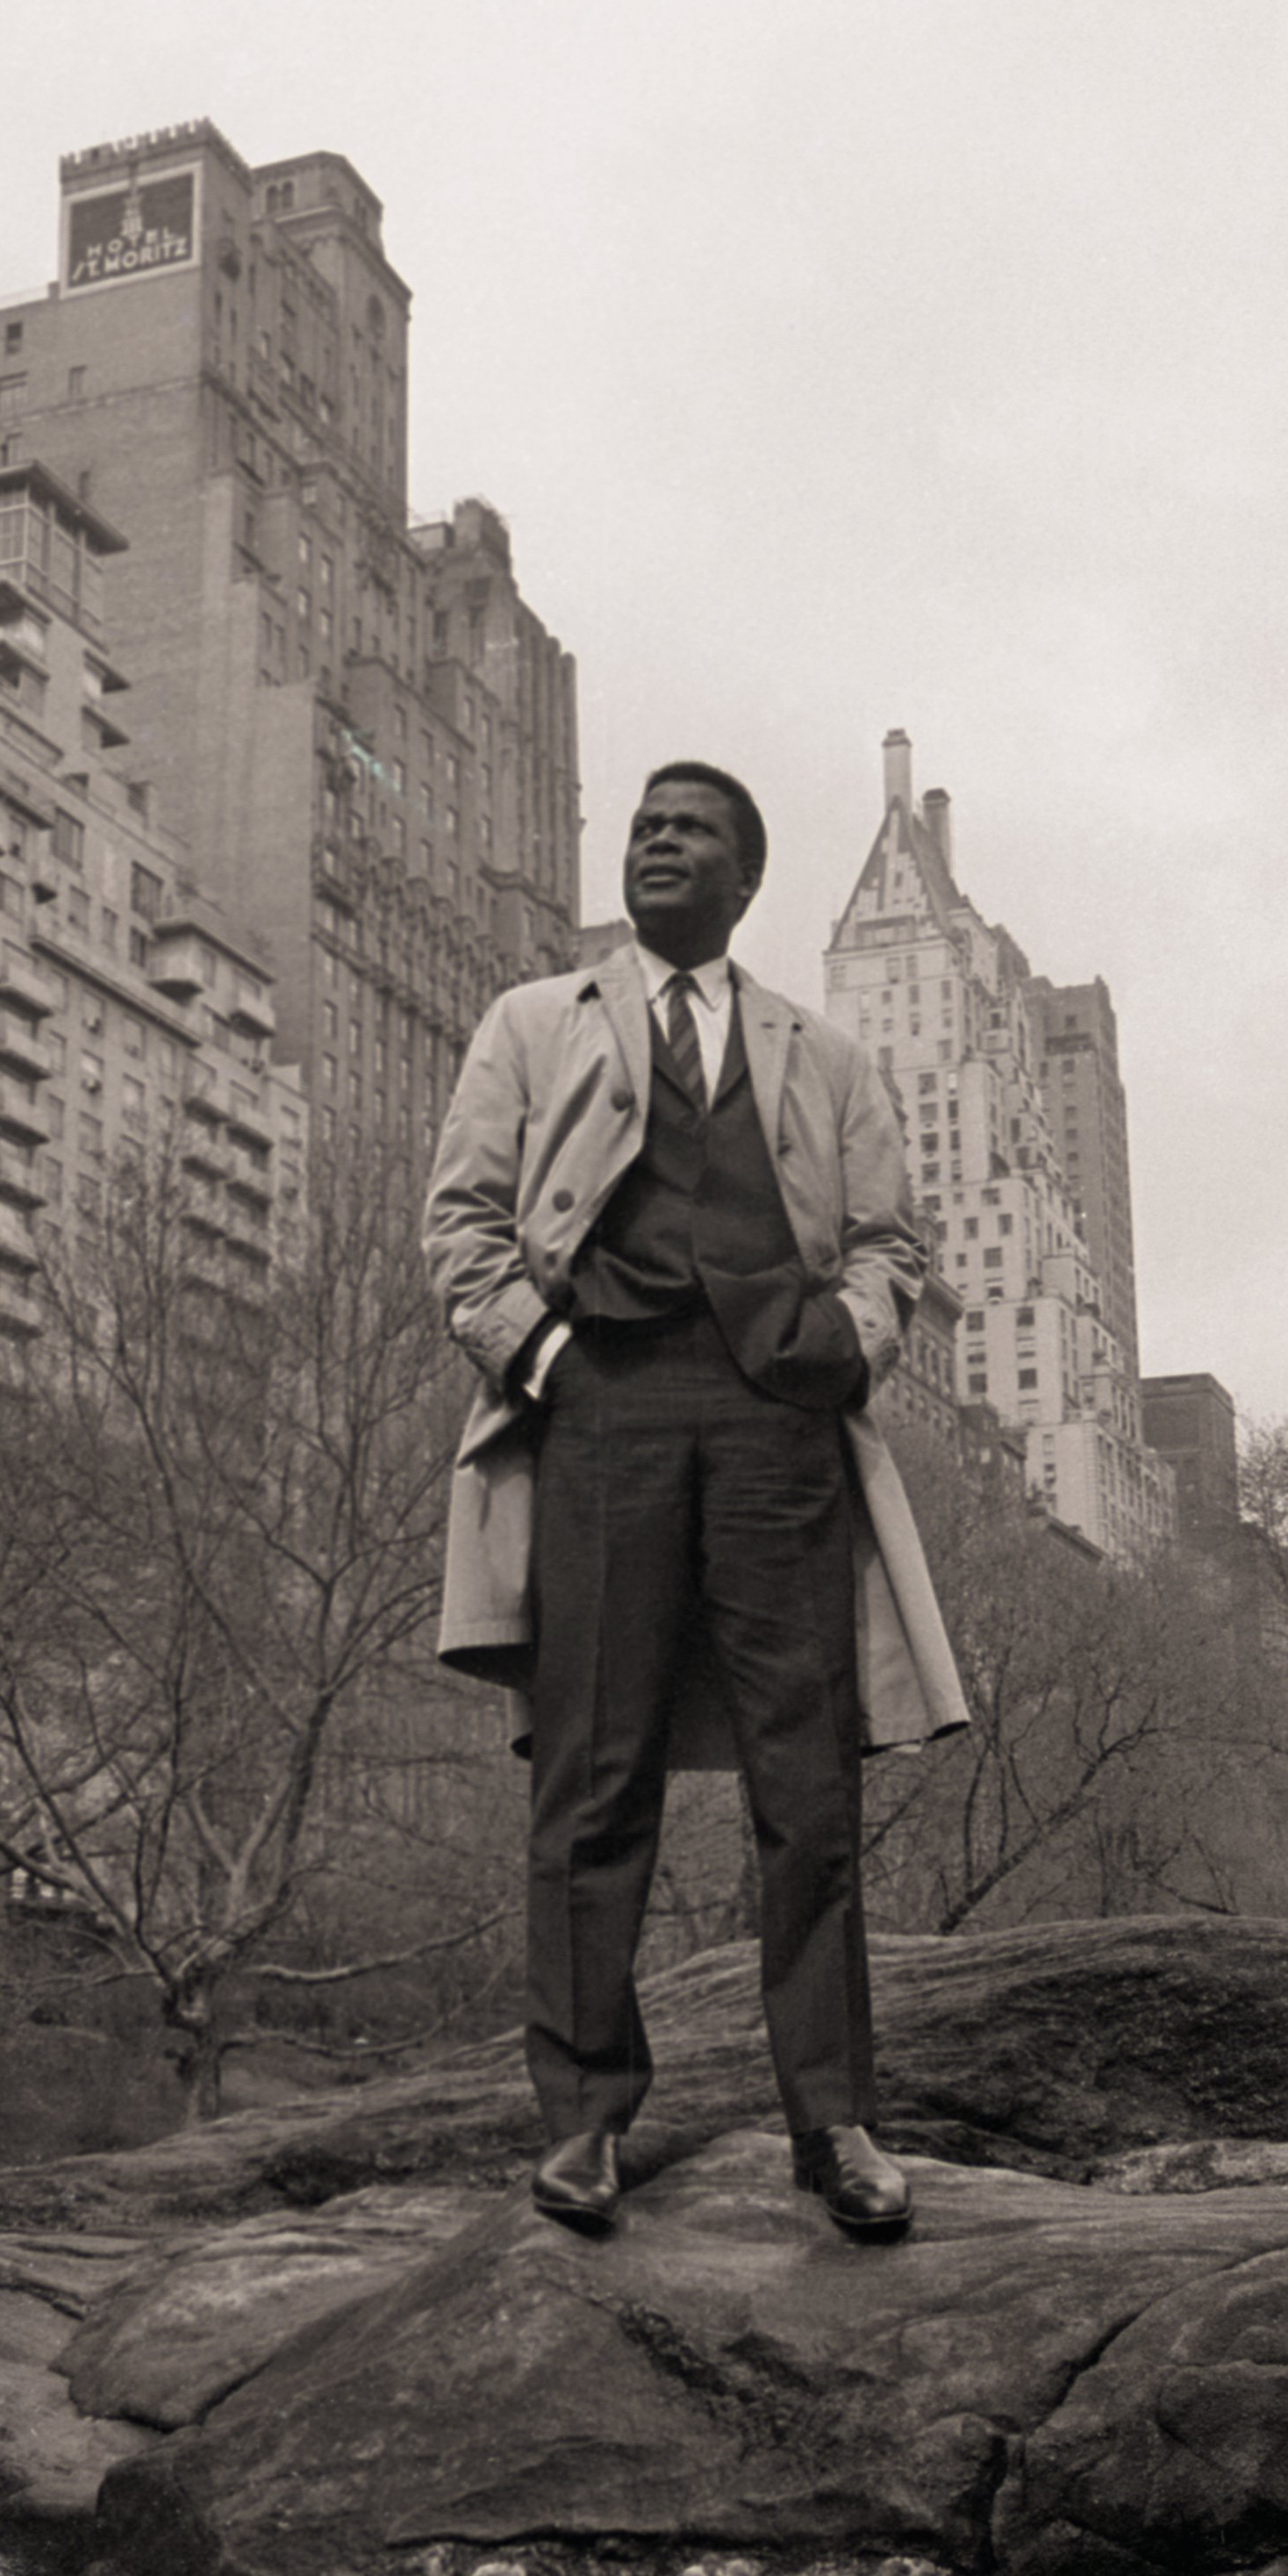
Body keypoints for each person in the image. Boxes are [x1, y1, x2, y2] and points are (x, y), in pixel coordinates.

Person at [422, 760, 967, 2242]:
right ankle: (587, 2121)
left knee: (813, 1786)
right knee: (591, 1773)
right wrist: (543, 1359)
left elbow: (888, 1243)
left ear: (744, 880)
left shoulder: (824, 1056)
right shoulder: (535, 1022)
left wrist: (844, 1340)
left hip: (779, 1429)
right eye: (648, 826)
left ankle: (833, 2119)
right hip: (600, 1410)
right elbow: (462, 1222)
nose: (662, 843)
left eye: (697, 832)